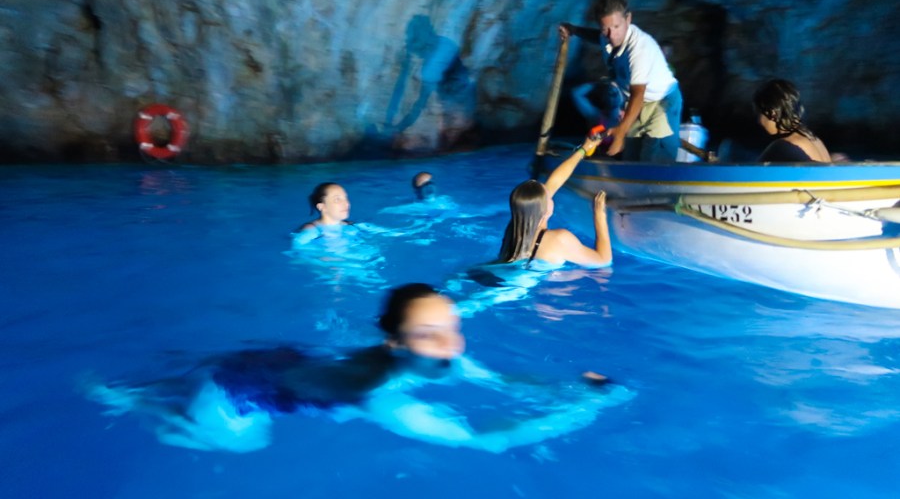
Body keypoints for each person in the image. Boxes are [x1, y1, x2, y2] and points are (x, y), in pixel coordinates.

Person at [85, 284, 633, 453]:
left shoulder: (443, 354)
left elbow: (503, 382)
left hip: (271, 358)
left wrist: (573, 386)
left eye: (452, 326)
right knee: (252, 443)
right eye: (429, 333)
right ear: (395, 343)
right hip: (232, 397)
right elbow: (485, 439)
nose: (449, 343)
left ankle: (150, 386)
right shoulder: (381, 397)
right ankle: (135, 401)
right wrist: (587, 409)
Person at [559, 0, 683, 162]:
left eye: (617, 27)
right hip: (637, 103)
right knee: (631, 157)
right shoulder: (606, 36)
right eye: (605, 29)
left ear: (628, 19)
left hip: (663, 102)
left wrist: (620, 133)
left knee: (654, 160)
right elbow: (597, 37)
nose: (612, 35)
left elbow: (638, 93)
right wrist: (574, 30)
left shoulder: (640, 49)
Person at [498, 134, 612, 268]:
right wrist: (600, 216)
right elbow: (604, 261)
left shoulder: (514, 228)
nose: (550, 191)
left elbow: (554, 182)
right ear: (545, 210)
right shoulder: (559, 239)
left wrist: (584, 149)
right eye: (549, 196)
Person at [752, 79, 831, 163]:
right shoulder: (814, 139)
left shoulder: (782, 147)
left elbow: (751, 170)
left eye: (759, 114)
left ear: (773, 113)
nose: (759, 121)